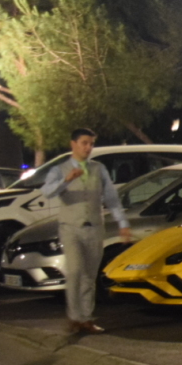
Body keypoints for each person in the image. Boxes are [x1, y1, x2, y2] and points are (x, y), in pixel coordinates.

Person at [42, 128, 131, 334]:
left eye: (91, 144)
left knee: (89, 275)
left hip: (94, 227)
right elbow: (47, 191)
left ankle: (86, 318)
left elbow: (111, 199)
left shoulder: (99, 169)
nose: (88, 148)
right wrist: (67, 180)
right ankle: (74, 317)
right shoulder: (59, 169)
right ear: (73, 144)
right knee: (74, 271)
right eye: (84, 143)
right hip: (71, 227)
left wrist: (122, 223)